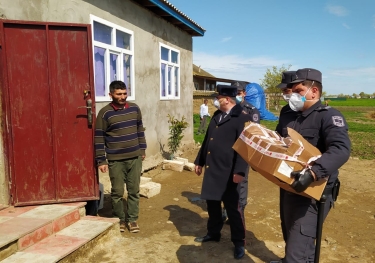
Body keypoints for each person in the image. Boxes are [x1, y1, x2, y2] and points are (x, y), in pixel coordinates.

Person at [271, 68, 351, 263]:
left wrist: (313, 173)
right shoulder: (287, 113)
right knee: (290, 233)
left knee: (298, 248)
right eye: (288, 91)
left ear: (313, 91)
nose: (291, 96)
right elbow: (279, 141)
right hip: (289, 185)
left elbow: (341, 149)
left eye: (297, 91)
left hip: (314, 193)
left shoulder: (328, 116)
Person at [194, 85, 249, 260]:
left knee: (233, 209)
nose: (216, 99)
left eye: (218, 97)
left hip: (230, 172)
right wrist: (199, 161)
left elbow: (245, 148)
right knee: (212, 205)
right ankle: (213, 233)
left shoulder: (242, 119)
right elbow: (207, 140)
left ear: (227, 99)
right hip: (213, 169)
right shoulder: (217, 116)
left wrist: (240, 171)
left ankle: (239, 242)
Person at [95, 80, 147, 233]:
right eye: (119, 94)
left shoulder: (134, 109)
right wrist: (101, 159)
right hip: (115, 160)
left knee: (133, 190)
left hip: (134, 157)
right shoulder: (104, 113)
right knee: (117, 192)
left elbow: (139, 129)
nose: (123, 96)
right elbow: (99, 137)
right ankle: (120, 219)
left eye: (125, 93)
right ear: (111, 95)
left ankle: (132, 219)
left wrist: (142, 149)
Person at [222, 85, 261, 225]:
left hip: (242, 153)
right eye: (235, 93)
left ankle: (240, 211)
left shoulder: (251, 111)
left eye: (239, 93)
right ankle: (226, 209)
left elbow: (255, 133)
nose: (237, 95)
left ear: (244, 93)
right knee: (225, 180)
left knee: (241, 182)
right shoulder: (225, 110)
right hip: (227, 152)